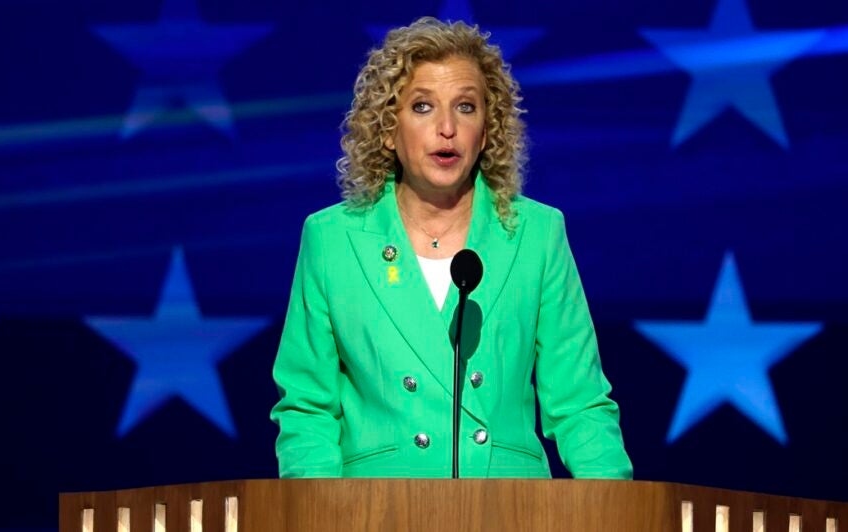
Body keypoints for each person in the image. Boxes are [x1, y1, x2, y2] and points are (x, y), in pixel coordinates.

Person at [270, 16, 633, 479]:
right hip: (376, 514)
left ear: (486, 131)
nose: (446, 127)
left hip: (512, 513)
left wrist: (617, 512)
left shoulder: (537, 234)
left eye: (465, 107)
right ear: (387, 129)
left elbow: (580, 404)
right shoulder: (332, 239)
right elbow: (307, 408)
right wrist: (321, 517)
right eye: (422, 107)